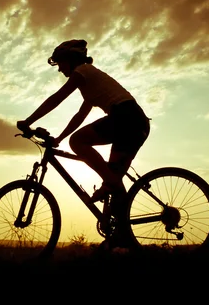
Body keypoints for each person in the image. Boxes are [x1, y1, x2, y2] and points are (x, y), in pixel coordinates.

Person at [17, 39, 150, 202]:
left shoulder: (83, 71)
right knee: (114, 185)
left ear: (71, 59)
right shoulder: (90, 83)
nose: (59, 69)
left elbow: (57, 98)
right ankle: (121, 222)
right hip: (136, 122)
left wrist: (28, 121)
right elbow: (80, 116)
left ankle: (110, 183)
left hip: (125, 117)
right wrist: (59, 138)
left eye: (60, 63)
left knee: (77, 141)